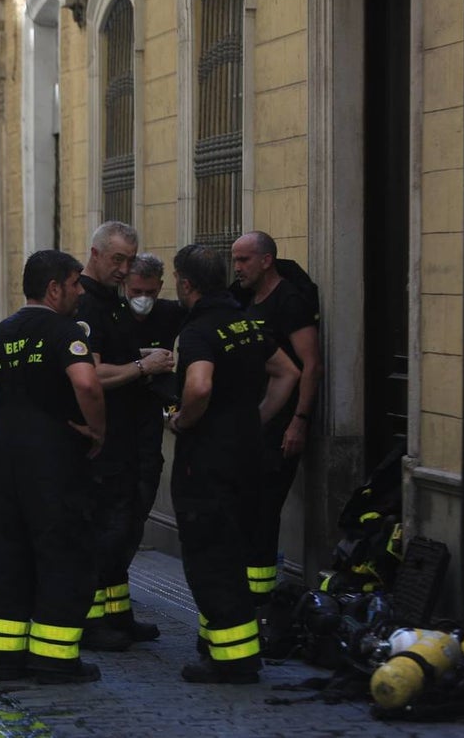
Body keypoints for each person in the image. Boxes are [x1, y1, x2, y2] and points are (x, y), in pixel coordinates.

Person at [167, 244, 299, 684]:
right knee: (237, 550)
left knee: (210, 557)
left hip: (207, 462)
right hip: (248, 454)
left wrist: (182, 421)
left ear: (186, 284)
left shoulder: (199, 330)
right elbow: (288, 373)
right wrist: (255, 418)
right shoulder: (248, 322)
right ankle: (224, 646)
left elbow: (199, 386)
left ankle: (232, 659)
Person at [0, 250, 106, 684]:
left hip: (4, 465)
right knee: (62, 557)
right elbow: (87, 381)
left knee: (10, 559)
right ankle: (54, 660)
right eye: (75, 283)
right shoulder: (64, 330)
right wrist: (97, 430)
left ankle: (6, 658)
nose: (79, 291)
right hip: (53, 466)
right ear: (54, 288)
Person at [74, 221, 174, 651]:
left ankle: (118, 613)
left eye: (130, 260)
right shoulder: (87, 307)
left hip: (134, 438)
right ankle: (92, 622)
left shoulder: (112, 304)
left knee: (126, 530)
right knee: (105, 531)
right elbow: (91, 372)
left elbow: (115, 356)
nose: (124, 268)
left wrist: (141, 357)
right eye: (118, 259)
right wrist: (141, 368)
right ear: (95, 254)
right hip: (108, 442)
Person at [230, 231, 323, 603]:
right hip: (252, 422)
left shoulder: (289, 302)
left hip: (280, 427)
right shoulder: (246, 297)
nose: (237, 268)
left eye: (244, 260)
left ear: (266, 260)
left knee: (265, 511)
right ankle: (246, 592)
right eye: (235, 260)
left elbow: (312, 364)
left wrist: (299, 420)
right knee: (247, 507)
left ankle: (261, 600)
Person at [124, 253, 186, 545]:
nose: (143, 299)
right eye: (136, 292)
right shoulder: (112, 315)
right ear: (125, 285)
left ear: (160, 287)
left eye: (150, 292)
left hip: (150, 411)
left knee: (146, 480)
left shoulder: (170, 313)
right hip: (117, 411)